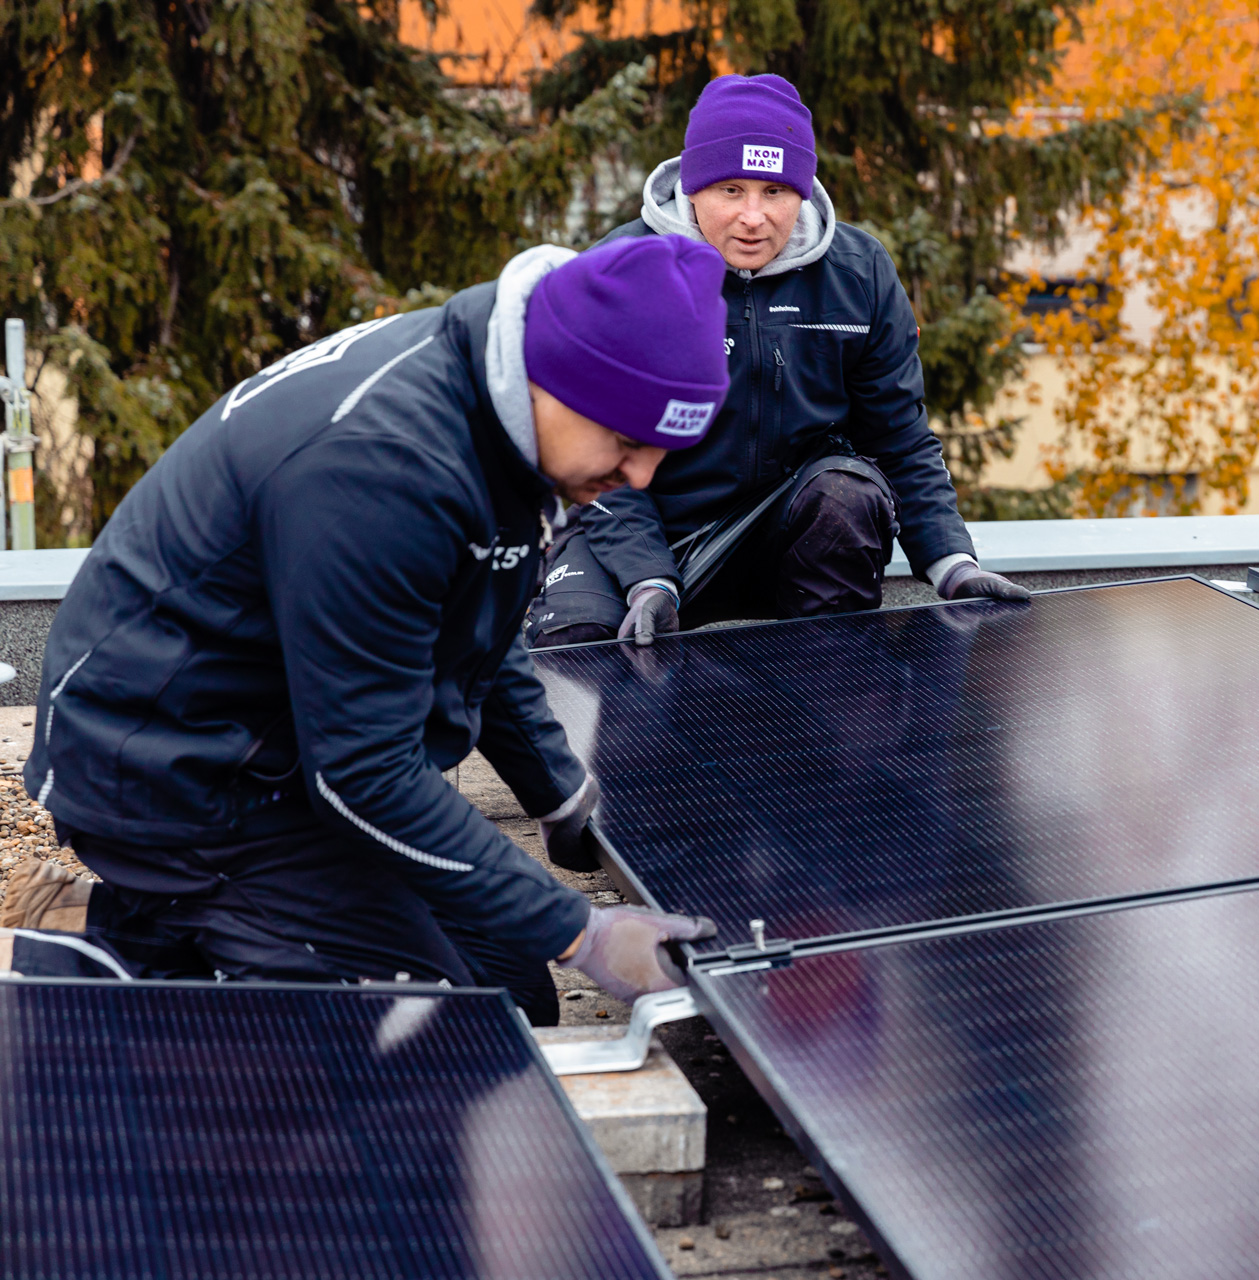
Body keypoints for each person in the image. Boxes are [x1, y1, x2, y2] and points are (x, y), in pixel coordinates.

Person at [18, 236, 731, 1022]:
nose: (639, 478)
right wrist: (582, 933)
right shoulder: (386, 468)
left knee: (515, 995)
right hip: (172, 769)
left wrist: (562, 797)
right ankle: (106, 953)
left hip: (281, 740)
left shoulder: (501, 401)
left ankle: (191, 933)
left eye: (664, 452)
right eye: (628, 442)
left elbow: (476, 635)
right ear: (555, 378)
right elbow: (361, 777)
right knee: (430, 1032)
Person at [523, 73, 1029, 650]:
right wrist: (646, 578)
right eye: (731, 191)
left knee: (848, 493)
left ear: (802, 192)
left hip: (785, 528)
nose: (754, 217)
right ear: (692, 186)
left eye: (775, 191)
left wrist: (952, 562)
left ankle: (824, 725)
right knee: (577, 640)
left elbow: (900, 436)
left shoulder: (858, 273)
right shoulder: (623, 269)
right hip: (645, 524)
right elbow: (590, 459)